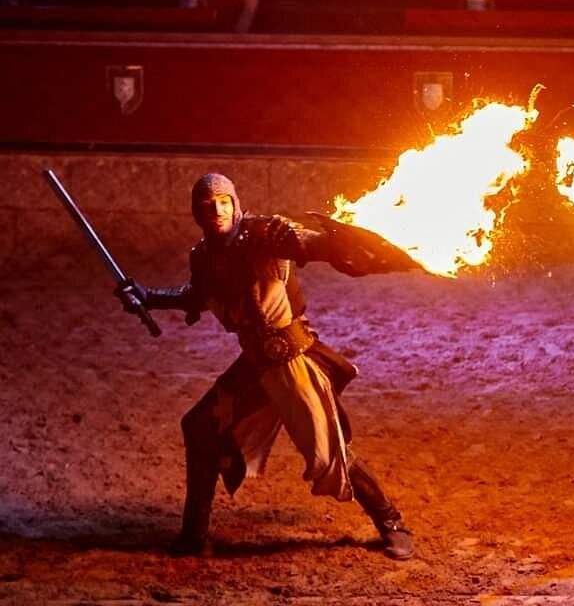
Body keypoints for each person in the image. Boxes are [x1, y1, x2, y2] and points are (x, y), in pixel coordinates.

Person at [115, 174, 415, 560]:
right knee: (200, 426)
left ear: (235, 204)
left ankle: (391, 522)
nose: (217, 210)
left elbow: (311, 245)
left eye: (224, 201)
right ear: (197, 212)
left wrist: (342, 241)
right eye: (208, 205)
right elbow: (197, 296)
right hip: (255, 365)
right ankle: (194, 535)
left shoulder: (264, 234)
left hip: (292, 361)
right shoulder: (203, 255)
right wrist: (148, 297)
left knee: (329, 452)